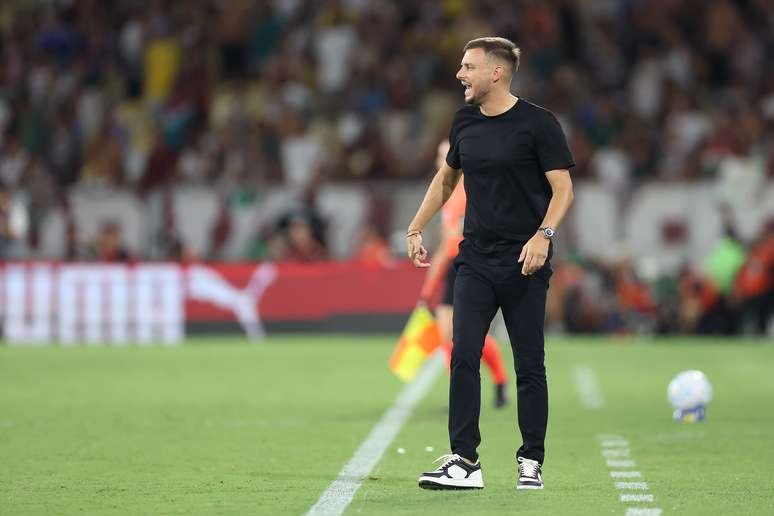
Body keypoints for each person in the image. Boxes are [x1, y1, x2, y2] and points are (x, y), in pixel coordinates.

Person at [406, 37, 574, 491]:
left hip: (524, 261)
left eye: (468, 66)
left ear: (495, 72)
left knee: (529, 364)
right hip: (475, 260)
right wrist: (416, 227)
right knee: (462, 354)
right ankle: (464, 461)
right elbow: (447, 180)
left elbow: (563, 190)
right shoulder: (463, 121)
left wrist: (544, 236)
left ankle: (531, 461)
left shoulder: (538, 124)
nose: (460, 74)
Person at [418, 140, 508, 409]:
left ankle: (494, 381)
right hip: (455, 266)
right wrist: (428, 288)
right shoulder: (448, 193)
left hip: (471, 265)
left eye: (443, 155)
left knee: (466, 336)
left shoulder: (470, 191)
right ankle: (469, 392)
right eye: (438, 154)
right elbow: (445, 246)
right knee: (449, 333)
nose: (439, 160)